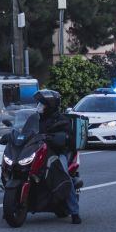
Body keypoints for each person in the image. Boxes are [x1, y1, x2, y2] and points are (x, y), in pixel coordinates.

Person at [34, 89, 81, 224]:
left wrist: (58, 138)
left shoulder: (62, 120)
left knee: (64, 175)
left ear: (50, 106)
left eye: (42, 104)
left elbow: (68, 138)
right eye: (39, 104)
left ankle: (74, 212)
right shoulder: (36, 118)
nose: (39, 106)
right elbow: (26, 130)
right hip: (38, 151)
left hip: (57, 152)